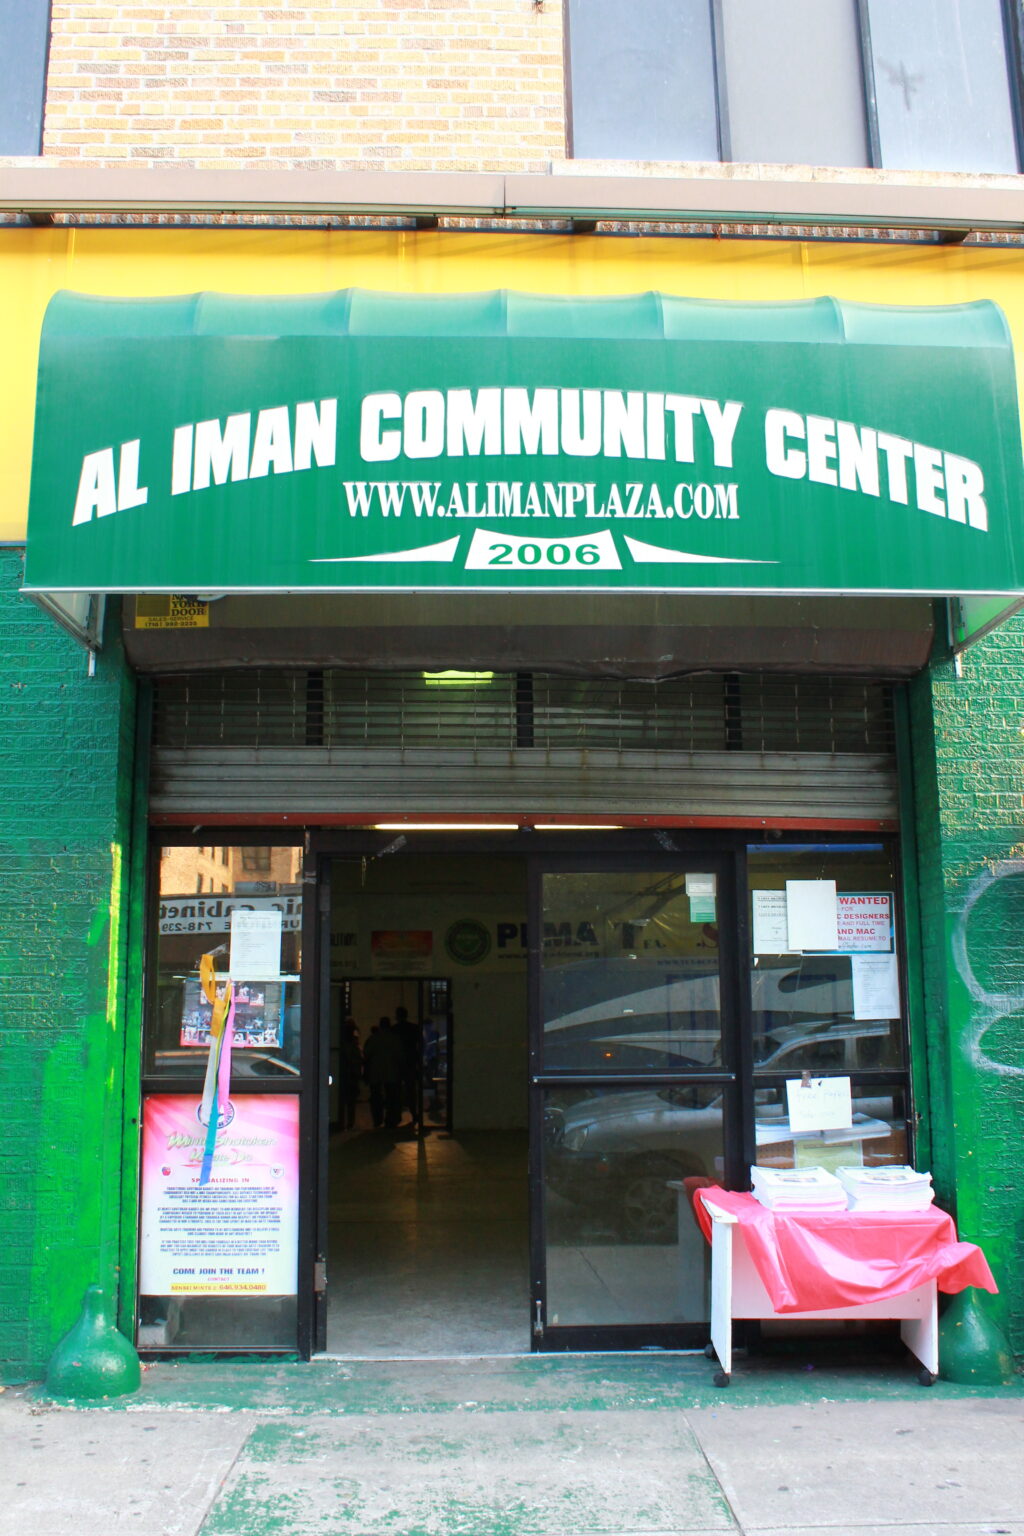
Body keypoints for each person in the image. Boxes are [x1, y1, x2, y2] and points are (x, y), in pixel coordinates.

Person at [362, 1014, 404, 1128]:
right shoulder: (395, 1039)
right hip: (391, 1072)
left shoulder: (373, 1038)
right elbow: (400, 1056)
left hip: (376, 1072)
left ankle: (378, 1119)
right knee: (391, 1097)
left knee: (376, 1097)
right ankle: (390, 1120)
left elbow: (367, 1054)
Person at [394, 1004, 421, 1127]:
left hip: (398, 1063)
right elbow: (420, 1044)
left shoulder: (394, 1029)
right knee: (411, 1090)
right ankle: (414, 1113)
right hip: (411, 1062)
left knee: (397, 1090)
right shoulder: (414, 1028)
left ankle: (397, 1115)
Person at [338, 1017, 363, 1130]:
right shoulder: (354, 1046)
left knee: (342, 1099)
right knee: (351, 1101)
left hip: (344, 1075)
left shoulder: (341, 1045)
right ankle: (349, 1123)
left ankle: (343, 1122)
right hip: (352, 1075)